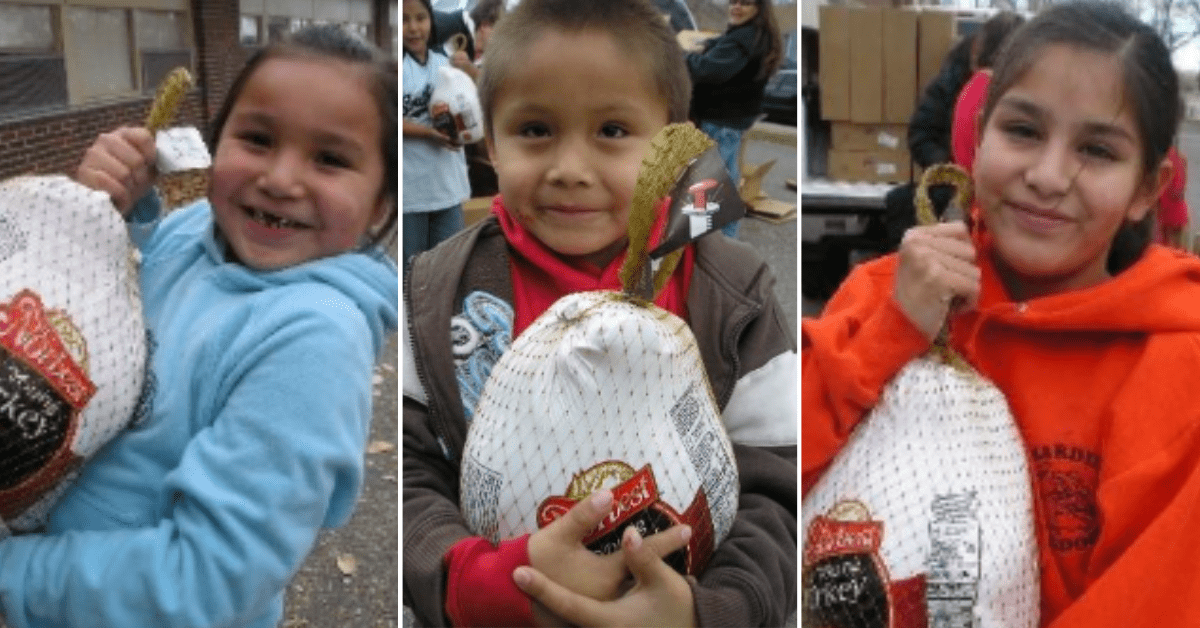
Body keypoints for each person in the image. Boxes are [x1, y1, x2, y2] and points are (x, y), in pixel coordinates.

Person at [402, 0, 797, 626]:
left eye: (612, 131)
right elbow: (411, 471)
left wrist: (712, 610)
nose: (570, 170)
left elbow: (780, 489)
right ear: (494, 144)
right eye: (535, 130)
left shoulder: (731, 296)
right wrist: (469, 583)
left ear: (674, 142)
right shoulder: (436, 294)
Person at [804, 2, 1200, 624]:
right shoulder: (885, 295)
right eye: (1022, 131)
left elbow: (1151, 601)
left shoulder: (1175, 360)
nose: (1047, 176)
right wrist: (893, 332)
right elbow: (780, 478)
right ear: (977, 136)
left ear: (1146, 190)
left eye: (1096, 149)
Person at [0, 24, 397, 628]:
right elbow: (116, 308)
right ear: (216, 143)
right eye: (258, 140)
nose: (281, 179)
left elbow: (206, 581)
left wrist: (12, 574)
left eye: (330, 159)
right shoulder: (194, 234)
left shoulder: (313, 343)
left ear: (381, 205)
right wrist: (112, 211)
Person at [883, 11, 1025, 251]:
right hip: (970, 199)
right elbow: (927, 135)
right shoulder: (986, 90)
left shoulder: (974, 87)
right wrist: (953, 174)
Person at [684, 0, 782, 239]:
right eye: (733, 2)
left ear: (759, 7)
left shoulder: (743, 40)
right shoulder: (755, 35)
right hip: (730, 123)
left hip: (719, 123)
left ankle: (706, 256)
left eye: (745, 3)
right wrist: (708, 43)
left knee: (703, 195)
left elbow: (707, 70)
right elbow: (724, 46)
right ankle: (726, 250)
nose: (736, 7)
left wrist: (683, 57)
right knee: (724, 191)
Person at [403, 0, 470, 266]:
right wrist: (428, 133)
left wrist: (468, 70)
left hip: (448, 189)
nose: (414, 28)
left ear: (431, 21)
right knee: (413, 273)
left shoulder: (446, 64)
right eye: (405, 19)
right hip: (411, 194)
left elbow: (472, 106)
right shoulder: (398, 69)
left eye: (421, 18)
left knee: (449, 270)